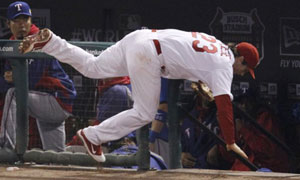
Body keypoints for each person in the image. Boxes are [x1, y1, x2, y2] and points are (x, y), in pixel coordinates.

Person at [19, 26, 260, 162]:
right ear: (239, 58)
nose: (242, 72)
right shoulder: (224, 66)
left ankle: (50, 42)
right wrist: (230, 140)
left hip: (140, 37)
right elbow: (225, 108)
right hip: (150, 54)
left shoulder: (216, 42)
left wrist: (200, 80)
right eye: (244, 68)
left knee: (93, 68)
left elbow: (192, 58)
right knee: (145, 113)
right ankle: (93, 136)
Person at [0, 1, 76, 152]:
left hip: (57, 100)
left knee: (14, 94)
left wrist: (14, 78)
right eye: (17, 20)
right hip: (44, 102)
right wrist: (7, 79)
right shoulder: (13, 44)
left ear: (30, 21)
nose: (22, 24)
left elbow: (31, 81)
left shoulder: (39, 39)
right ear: (9, 23)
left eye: (25, 19)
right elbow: (5, 84)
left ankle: (5, 149)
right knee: (55, 157)